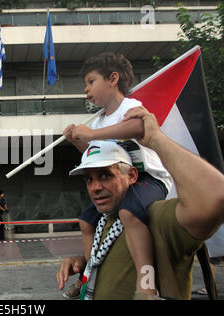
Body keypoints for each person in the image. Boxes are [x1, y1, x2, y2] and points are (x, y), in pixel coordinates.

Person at [56, 106, 224, 300]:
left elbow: (216, 196)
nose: (95, 187)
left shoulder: (156, 218)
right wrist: (86, 264)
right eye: (89, 179)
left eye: (105, 175)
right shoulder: (103, 221)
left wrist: (156, 139)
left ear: (132, 176)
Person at [62, 52, 173, 298]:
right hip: (118, 180)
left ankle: (146, 286)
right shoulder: (99, 120)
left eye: (91, 82)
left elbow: (139, 127)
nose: (86, 89)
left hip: (148, 179)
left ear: (113, 79)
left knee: (128, 212)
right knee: (85, 221)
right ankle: (90, 274)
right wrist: (78, 141)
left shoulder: (130, 106)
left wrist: (90, 134)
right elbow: (97, 159)